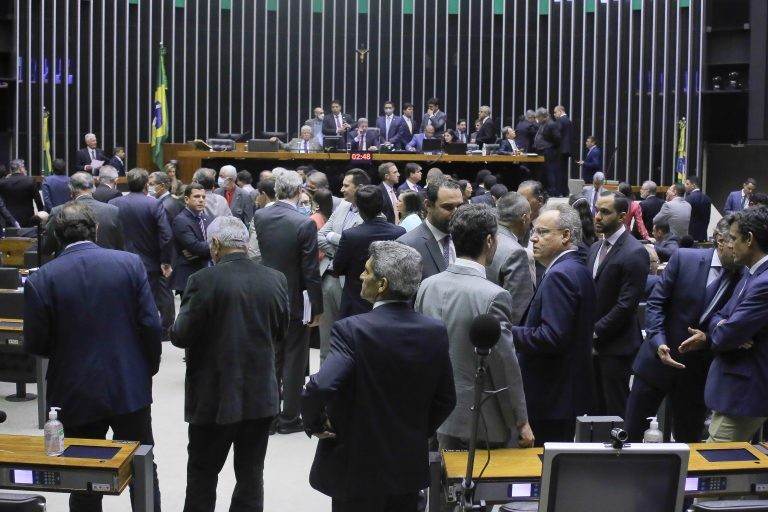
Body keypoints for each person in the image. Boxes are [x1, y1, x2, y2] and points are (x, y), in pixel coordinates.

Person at [24, 201, 162, 512]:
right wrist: (145, 368)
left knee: (84, 475)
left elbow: (35, 342)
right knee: (142, 467)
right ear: (96, 230)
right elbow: (151, 324)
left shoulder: (42, 278)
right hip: (128, 383)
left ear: (57, 236)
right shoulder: (130, 264)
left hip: (73, 388)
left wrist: (65, 354)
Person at [302, 241, 456, 512]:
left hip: (356, 466)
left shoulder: (351, 330)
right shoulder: (434, 330)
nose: (361, 276)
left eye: (366, 271)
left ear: (382, 284)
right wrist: (415, 430)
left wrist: (315, 423)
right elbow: (446, 399)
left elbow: (320, 385)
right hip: (407, 466)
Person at [171, 215, 289, 512]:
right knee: (251, 476)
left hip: (213, 398)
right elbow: (281, 331)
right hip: (261, 395)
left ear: (214, 244)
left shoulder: (201, 281)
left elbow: (181, 336)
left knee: (202, 473)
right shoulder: (276, 279)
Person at [416, 204, 534, 450]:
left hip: (436, 413)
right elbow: (504, 364)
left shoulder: (427, 285)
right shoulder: (495, 296)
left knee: (441, 484)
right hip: (482, 419)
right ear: (490, 241)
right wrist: (521, 420)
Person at [625, 218, 744, 442]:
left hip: (696, 372)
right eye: (736, 242)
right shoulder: (684, 258)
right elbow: (656, 303)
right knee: (631, 434)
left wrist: (708, 339)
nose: (742, 250)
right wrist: (659, 341)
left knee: (688, 441)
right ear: (720, 240)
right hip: (656, 362)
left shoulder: (745, 278)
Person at [679, 206, 768, 442]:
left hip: (744, 394)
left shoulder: (764, 282)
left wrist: (725, 331)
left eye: (735, 238)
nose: (730, 245)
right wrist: (725, 327)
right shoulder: (752, 274)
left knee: (713, 467)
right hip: (734, 391)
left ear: (749, 240)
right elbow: (720, 315)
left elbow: (725, 336)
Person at [511, 203, 597, 444]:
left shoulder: (560, 274)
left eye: (543, 232)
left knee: (544, 471)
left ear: (566, 236)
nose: (534, 239)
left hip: (553, 396)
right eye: (534, 232)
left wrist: (507, 332)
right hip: (566, 392)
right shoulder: (576, 269)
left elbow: (552, 337)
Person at [252, 169, 323, 434]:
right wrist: (317, 307)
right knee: (295, 360)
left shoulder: (260, 216)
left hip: (268, 296)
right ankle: (290, 418)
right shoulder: (304, 223)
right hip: (296, 299)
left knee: (272, 357)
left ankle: (269, 417)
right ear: (298, 191)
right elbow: (310, 271)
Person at [587, 191, 650, 416]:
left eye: (605, 212)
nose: (597, 217)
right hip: (592, 344)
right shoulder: (595, 248)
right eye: (597, 211)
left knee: (615, 410)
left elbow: (626, 305)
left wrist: (594, 331)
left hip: (616, 346)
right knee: (594, 408)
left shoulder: (635, 252)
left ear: (622, 216)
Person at [109, 168, 174, 338]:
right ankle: (147, 337)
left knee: (125, 300)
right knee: (148, 302)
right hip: (150, 263)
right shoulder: (154, 204)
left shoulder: (114, 204)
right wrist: (165, 262)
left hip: (120, 262)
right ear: (146, 184)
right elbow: (166, 235)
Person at [316, 169, 369, 363]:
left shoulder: (370, 213)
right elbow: (319, 235)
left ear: (360, 188)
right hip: (327, 277)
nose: (342, 189)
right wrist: (339, 247)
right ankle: (324, 386)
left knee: (349, 340)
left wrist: (337, 241)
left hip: (350, 282)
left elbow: (357, 246)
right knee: (326, 342)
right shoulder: (341, 206)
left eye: (346, 185)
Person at [333, 185, 406, 318]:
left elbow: (337, 269)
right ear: (383, 204)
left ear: (359, 209)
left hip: (357, 304)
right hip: (390, 304)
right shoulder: (400, 232)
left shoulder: (350, 235)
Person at [39, 171, 125, 255]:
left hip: (69, 266)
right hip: (106, 265)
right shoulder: (113, 211)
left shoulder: (58, 211)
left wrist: (43, 224)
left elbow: (46, 248)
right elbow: (120, 247)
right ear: (94, 188)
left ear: (70, 189)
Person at [397, 177, 464, 280]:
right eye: (448, 207)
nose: (456, 212)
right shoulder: (407, 245)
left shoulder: (465, 237)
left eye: (459, 206)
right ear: (428, 205)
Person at [486, 192, 535, 324]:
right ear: (524, 218)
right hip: (502, 333)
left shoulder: (485, 239)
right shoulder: (516, 253)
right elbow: (518, 310)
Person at [170, 183, 212, 295]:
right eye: (197, 196)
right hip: (189, 278)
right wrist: (214, 247)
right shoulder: (181, 220)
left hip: (207, 275)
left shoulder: (206, 218)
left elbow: (202, 247)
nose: (201, 200)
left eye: (203, 197)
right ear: (187, 199)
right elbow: (196, 248)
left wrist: (205, 249)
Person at [0, 159, 43, 227]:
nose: (25, 169)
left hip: (10, 218)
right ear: (20, 168)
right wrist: (41, 214)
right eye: (24, 167)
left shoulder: (3, 182)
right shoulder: (30, 181)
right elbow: (38, 200)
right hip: (28, 217)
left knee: (11, 237)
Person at [532, 107, 562, 198]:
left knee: (549, 171)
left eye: (538, 117)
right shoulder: (543, 123)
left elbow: (557, 138)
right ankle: (546, 190)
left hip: (548, 151)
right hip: (542, 150)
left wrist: (551, 146)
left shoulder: (551, 124)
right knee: (544, 171)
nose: (537, 119)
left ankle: (551, 191)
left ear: (542, 116)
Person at [684, 175, 712, 242]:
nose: (685, 186)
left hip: (690, 235)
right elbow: (707, 218)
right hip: (703, 235)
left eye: (687, 184)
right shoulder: (707, 198)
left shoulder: (689, 198)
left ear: (693, 185)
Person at [553, 105, 573, 195]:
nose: (554, 114)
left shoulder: (560, 121)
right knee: (564, 171)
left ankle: (559, 191)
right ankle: (565, 191)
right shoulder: (568, 120)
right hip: (567, 149)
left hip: (560, 149)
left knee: (558, 171)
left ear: (560, 111)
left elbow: (556, 135)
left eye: (555, 112)